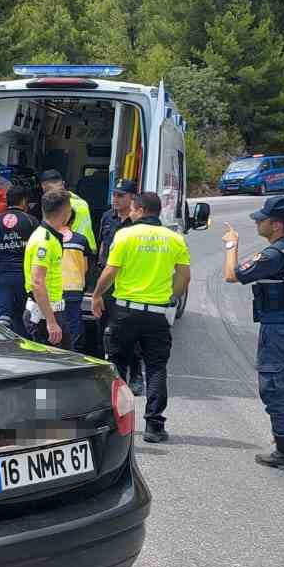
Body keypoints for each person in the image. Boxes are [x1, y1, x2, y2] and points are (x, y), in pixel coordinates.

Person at [91, 191, 190, 445]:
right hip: (157, 313)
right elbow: (184, 277)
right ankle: (154, 427)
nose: (130, 214)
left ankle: (115, 422)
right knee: (156, 368)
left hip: (125, 311)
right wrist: (170, 297)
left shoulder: (125, 235)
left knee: (116, 365)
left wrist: (97, 294)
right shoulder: (175, 238)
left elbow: (111, 270)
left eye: (133, 210)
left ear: (142, 209)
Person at [222, 194, 284, 468]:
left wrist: (231, 245)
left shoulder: (274, 254)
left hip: (279, 328)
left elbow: (232, 274)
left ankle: (283, 450)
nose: (258, 223)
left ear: (277, 225)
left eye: (263, 219)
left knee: (274, 386)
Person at [97, 179, 144, 392]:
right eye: (114, 194)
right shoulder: (107, 217)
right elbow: (102, 248)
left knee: (131, 332)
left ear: (132, 198)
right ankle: (108, 375)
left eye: (120, 196)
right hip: (108, 281)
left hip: (131, 283)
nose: (115, 199)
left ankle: (135, 376)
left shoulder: (139, 222)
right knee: (105, 330)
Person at [0, 185, 39, 331]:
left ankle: (2, 347)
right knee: (22, 315)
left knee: (3, 317)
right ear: (24, 201)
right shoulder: (32, 221)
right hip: (23, 275)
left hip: (1, 273)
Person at [23, 187, 73, 345]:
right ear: (66, 211)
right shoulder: (44, 241)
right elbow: (37, 283)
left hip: (49, 312)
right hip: (45, 315)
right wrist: (51, 322)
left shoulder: (49, 236)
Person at [39, 169, 96, 253]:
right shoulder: (82, 202)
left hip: (72, 248)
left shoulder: (58, 205)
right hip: (89, 247)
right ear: (63, 183)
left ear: (43, 187)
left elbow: (51, 229)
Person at [58, 218, 91, 350]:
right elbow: (85, 267)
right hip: (74, 288)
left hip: (53, 289)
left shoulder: (47, 238)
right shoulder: (81, 240)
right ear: (72, 221)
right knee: (73, 327)